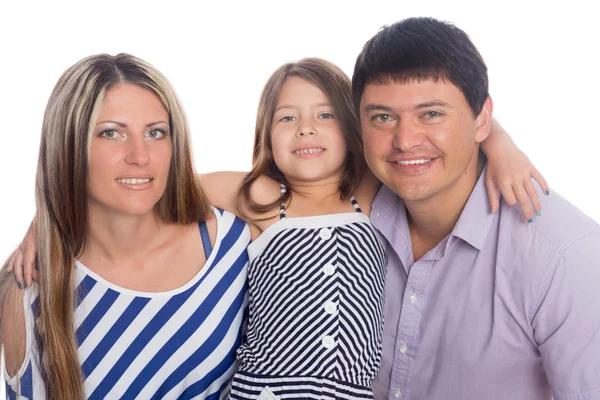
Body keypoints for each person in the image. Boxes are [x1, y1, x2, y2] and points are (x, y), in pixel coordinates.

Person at [6, 55, 548, 400]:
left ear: (356, 126)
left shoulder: (376, 193)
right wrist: (44, 221)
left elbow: (433, 110)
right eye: (287, 117)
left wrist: (500, 145)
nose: (306, 128)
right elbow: (140, 179)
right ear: (266, 133)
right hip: (261, 391)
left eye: (324, 115)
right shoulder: (260, 198)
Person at [352, 17, 600, 399]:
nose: (404, 140)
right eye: (383, 117)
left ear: (483, 118)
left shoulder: (564, 256)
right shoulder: (349, 216)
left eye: (431, 114)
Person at [0, 53, 251, 399]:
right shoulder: (30, 291)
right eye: (111, 133)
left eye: (155, 133)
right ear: (70, 146)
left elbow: (322, 194)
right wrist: (49, 216)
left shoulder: (231, 244)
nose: (140, 155)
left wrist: (46, 216)